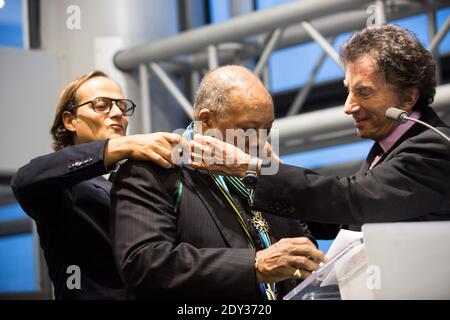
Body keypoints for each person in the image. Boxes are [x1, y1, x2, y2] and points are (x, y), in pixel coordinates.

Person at [187, 24, 450, 229]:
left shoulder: (435, 146)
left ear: (408, 97)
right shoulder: (384, 152)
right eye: (349, 91)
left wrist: (253, 169)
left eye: (364, 92)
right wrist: (273, 176)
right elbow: (338, 220)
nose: (349, 106)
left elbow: (354, 200)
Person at [110, 65, 325, 300]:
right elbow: (143, 264)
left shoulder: (266, 173)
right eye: (248, 130)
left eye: (267, 130)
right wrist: (254, 266)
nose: (260, 143)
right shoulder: (154, 171)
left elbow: (305, 249)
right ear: (206, 120)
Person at [11, 71, 181, 299]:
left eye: (122, 105)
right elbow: (25, 180)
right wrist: (117, 147)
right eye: (101, 105)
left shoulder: (135, 177)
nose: (118, 112)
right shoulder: (61, 185)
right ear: (70, 121)